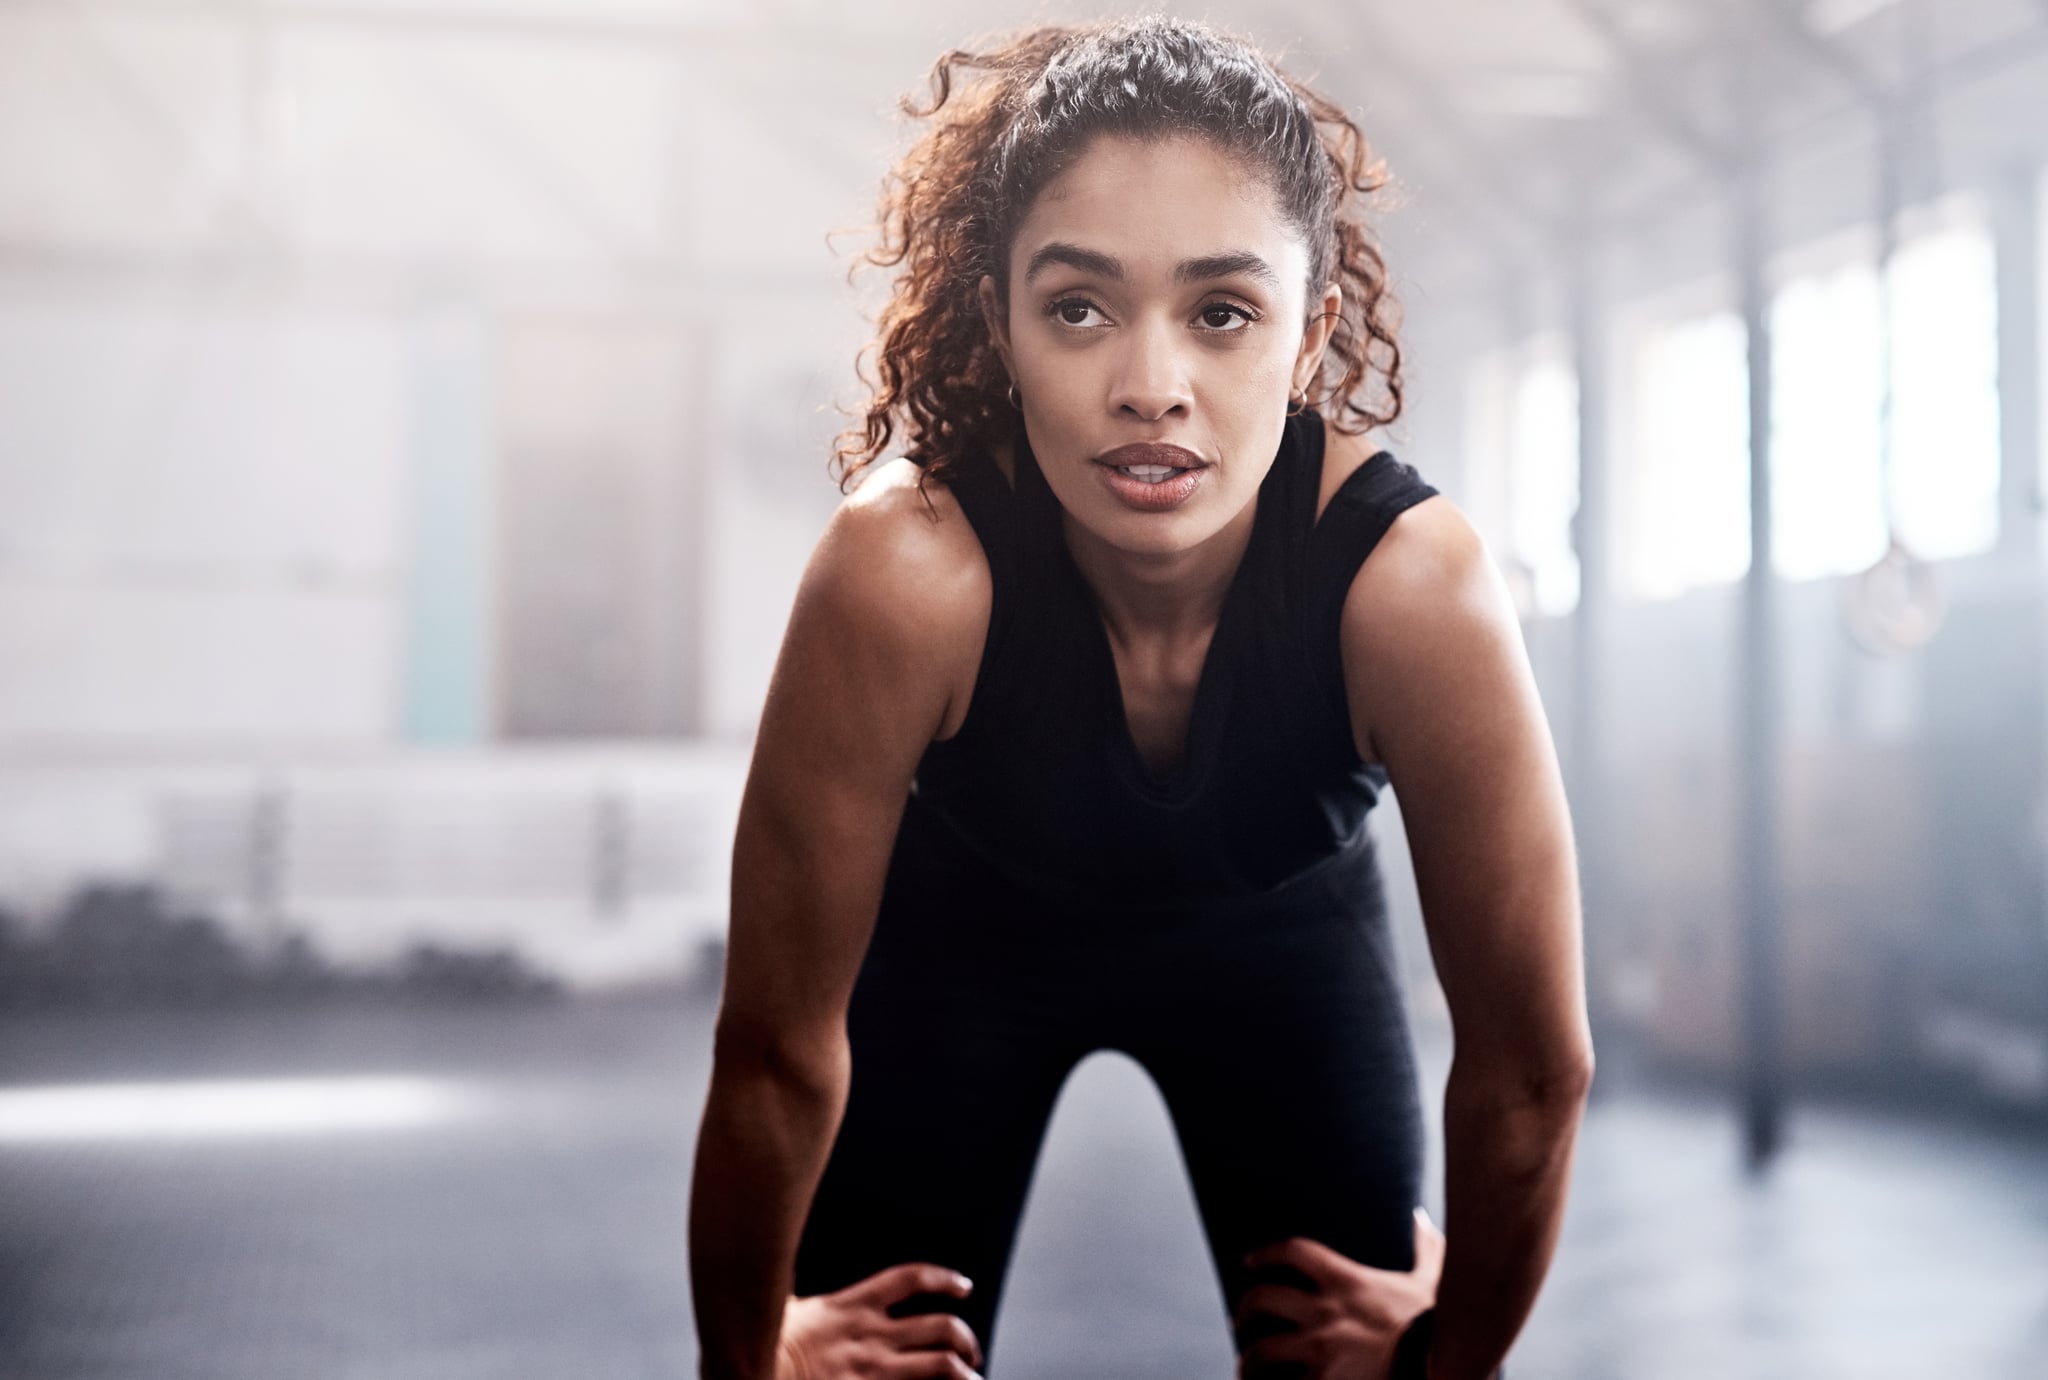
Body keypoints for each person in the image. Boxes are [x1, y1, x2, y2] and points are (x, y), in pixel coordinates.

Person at [689, 17, 1592, 1380]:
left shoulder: (1410, 593)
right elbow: (773, 1049)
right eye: (1079, 308)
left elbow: (1531, 1072)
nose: (1150, 388)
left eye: (1222, 312)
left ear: (1309, 337)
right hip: (959, 951)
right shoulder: (905, 578)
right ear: (997, 322)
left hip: (1283, 944)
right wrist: (748, 1362)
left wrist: (1449, 1357)